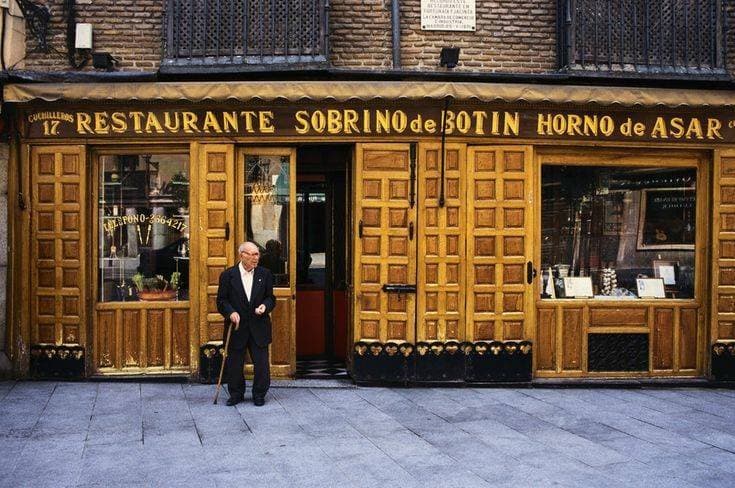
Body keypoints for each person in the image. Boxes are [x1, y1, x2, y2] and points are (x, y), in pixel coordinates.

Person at [216, 241, 276, 406]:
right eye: (251, 254)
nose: (255, 258)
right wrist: (230, 312)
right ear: (241, 255)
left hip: (259, 325)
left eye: (257, 254)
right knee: (235, 363)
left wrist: (265, 306)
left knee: (262, 364)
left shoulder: (265, 274)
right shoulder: (228, 275)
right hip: (237, 327)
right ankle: (236, 394)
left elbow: (270, 297)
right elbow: (221, 301)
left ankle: (259, 394)